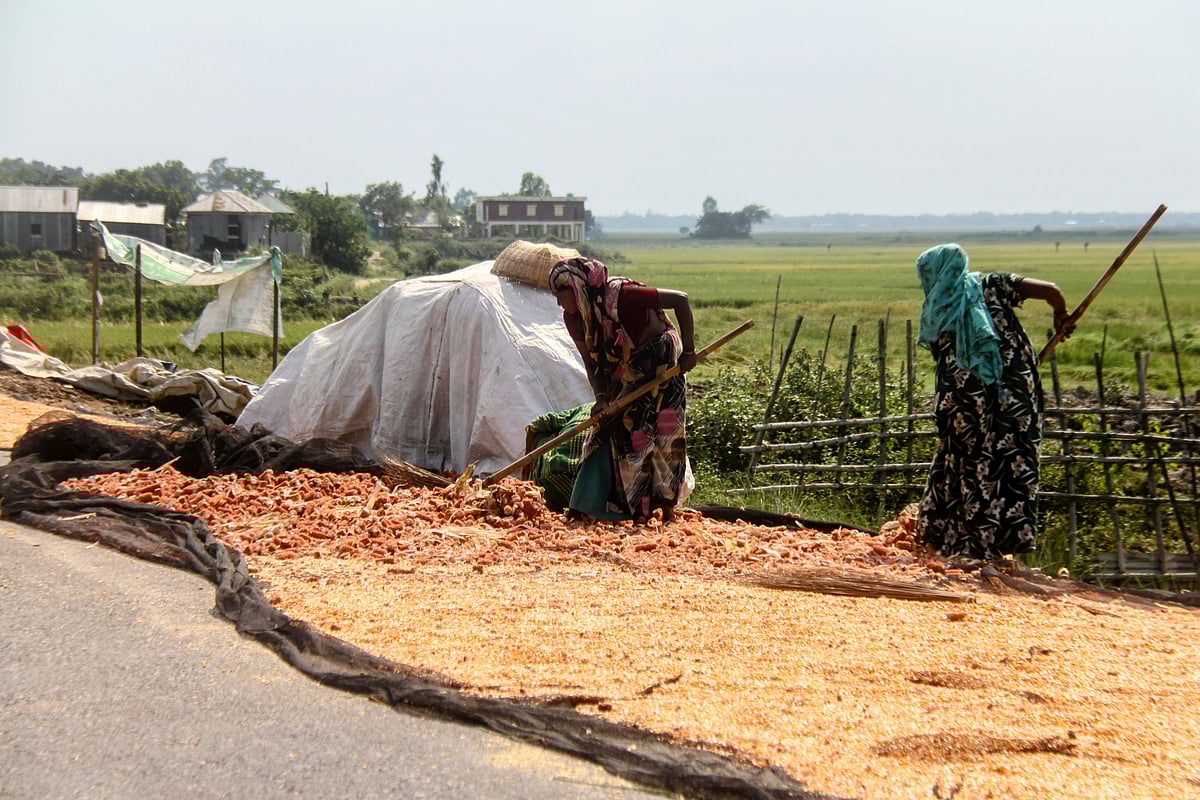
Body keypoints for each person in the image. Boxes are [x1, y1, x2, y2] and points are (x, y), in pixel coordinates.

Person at [915, 243, 1074, 559]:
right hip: (1012, 399)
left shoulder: (936, 307)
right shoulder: (990, 285)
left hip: (962, 403)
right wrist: (1060, 315)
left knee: (961, 462)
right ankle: (993, 545)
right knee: (1007, 464)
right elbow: (1052, 291)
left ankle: (956, 541)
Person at [548, 257, 697, 523]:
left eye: (562, 296)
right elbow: (590, 362)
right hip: (625, 373)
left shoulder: (623, 295)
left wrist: (689, 351)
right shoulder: (575, 319)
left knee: (666, 433)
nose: (560, 303)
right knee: (626, 435)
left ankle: (667, 509)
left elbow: (681, 300)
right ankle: (634, 510)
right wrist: (602, 397)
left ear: (577, 288)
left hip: (661, 363)